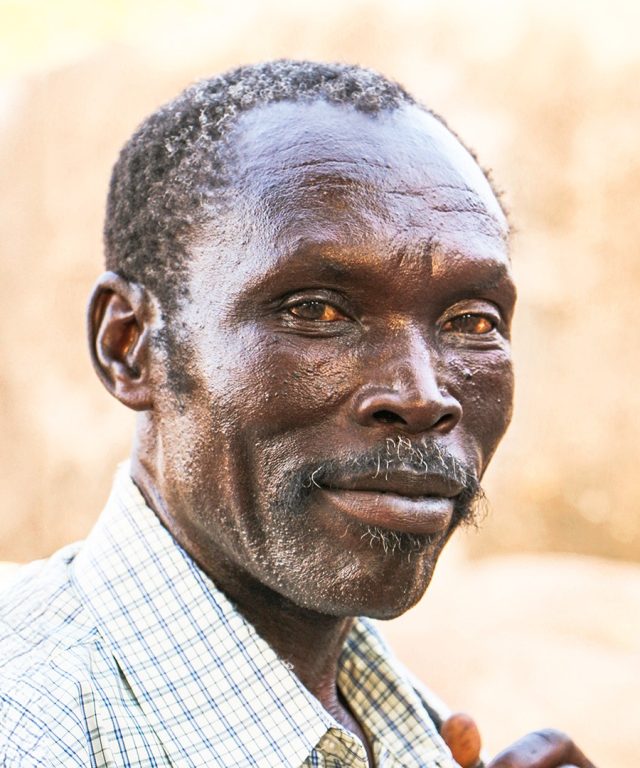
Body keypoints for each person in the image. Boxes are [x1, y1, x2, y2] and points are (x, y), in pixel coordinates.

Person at [0, 60, 595, 767]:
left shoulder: (397, 718)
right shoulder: (34, 726)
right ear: (130, 346)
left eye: (471, 320)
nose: (423, 394)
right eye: (314, 310)